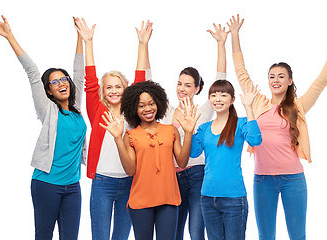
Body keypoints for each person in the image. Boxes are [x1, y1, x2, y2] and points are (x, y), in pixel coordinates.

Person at [228, 14, 327, 239]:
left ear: (289, 81)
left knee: (298, 235)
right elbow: (241, 72)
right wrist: (235, 35)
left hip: (293, 179)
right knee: (266, 236)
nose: (275, 80)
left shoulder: (298, 106)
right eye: (271, 76)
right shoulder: (257, 102)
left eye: (281, 76)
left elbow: (321, 81)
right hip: (262, 179)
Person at [0, 15, 86, 240]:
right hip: (47, 184)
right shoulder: (48, 110)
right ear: (48, 91)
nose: (62, 83)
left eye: (64, 80)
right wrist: (10, 36)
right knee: (44, 235)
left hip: (73, 187)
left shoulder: (77, 106)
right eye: (55, 82)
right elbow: (32, 71)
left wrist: (81, 36)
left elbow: (79, 74)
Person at [135, 22, 229, 240]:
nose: (182, 88)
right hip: (170, 177)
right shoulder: (165, 110)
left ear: (197, 88)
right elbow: (147, 83)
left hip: (197, 176)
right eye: (179, 83)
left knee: (196, 232)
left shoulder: (204, 111)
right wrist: (144, 45)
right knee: (173, 233)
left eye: (188, 85)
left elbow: (221, 80)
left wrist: (221, 45)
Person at [74, 18, 152, 240]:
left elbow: (140, 82)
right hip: (102, 183)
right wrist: (88, 42)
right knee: (100, 236)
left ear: (126, 89)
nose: (114, 91)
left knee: (121, 236)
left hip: (129, 183)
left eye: (118, 86)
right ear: (103, 91)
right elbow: (90, 82)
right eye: (109, 87)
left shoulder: (133, 111)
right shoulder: (96, 110)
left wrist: (142, 45)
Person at [101, 81, 200, 240]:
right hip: (140, 201)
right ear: (134, 108)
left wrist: (188, 133)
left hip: (168, 199)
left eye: (151, 103)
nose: (147, 109)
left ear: (158, 104)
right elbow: (130, 170)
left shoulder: (170, 130)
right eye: (141, 106)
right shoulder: (130, 135)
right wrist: (118, 139)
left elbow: (182, 162)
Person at [190, 80, 261, 240]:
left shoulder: (240, 123)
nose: (218, 99)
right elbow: (193, 153)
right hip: (207, 198)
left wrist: (249, 107)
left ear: (232, 99)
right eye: (214, 95)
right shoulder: (205, 128)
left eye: (223, 94)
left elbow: (255, 140)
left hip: (234, 199)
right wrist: (191, 130)